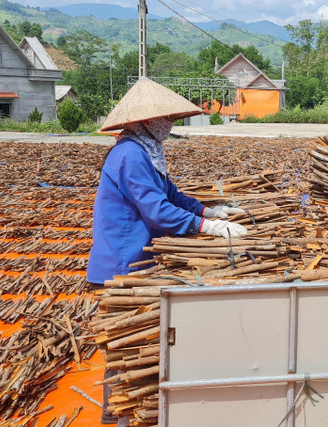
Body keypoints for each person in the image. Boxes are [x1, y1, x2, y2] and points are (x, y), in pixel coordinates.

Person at [87, 78, 247, 425]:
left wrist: (209, 210)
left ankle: (123, 416)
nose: (170, 124)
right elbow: (157, 210)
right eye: (166, 117)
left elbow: (171, 195)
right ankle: (115, 418)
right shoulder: (130, 153)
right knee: (124, 349)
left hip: (137, 257)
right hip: (122, 263)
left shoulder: (146, 151)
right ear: (144, 121)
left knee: (131, 347)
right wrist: (208, 228)